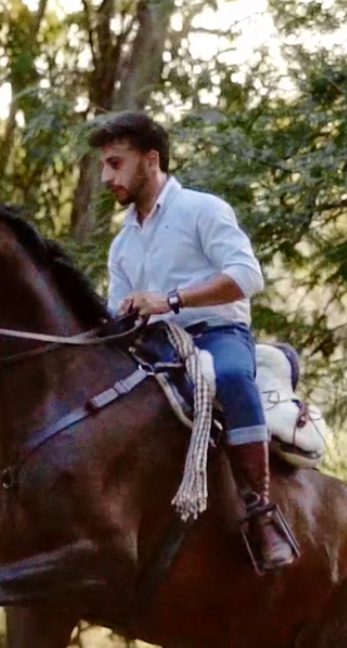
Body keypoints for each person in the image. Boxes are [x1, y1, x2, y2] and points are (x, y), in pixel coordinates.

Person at [87, 110, 297, 571]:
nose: (106, 177)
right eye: (104, 165)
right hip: (155, 345)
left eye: (115, 163)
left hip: (217, 334)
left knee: (231, 376)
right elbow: (119, 311)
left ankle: (262, 514)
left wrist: (171, 300)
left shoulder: (203, 210)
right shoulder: (122, 243)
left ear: (150, 160)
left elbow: (247, 276)